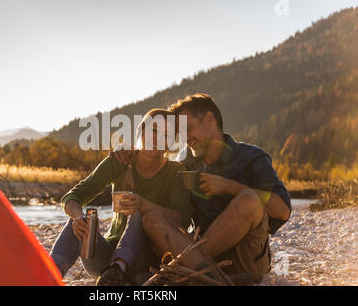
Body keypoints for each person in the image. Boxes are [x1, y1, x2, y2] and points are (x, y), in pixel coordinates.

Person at [113, 93, 291, 283]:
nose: (186, 139)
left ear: (209, 119)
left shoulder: (251, 157)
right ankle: (210, 277)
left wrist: (229, 186)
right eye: (181, 134)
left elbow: (282, 210)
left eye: (189, 129)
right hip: (194, 258)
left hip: (245, 261)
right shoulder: (183, 162)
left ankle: (191, 273)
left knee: (249, 199)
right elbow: (157, 176)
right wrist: (129, 155)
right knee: (152, 219)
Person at [50, 108, 193, 285]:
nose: (157, 138)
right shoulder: (121, 160)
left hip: (148, 263)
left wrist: (143, 204)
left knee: (139, 214)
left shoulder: (175, 171)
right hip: (105, 260)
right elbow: (74, 195)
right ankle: (48, 274)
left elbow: (183, 219)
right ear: (141, 131)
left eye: (166, 134)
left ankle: (118, 269)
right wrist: (78, 216)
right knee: (78, 222)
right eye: (153, 130)